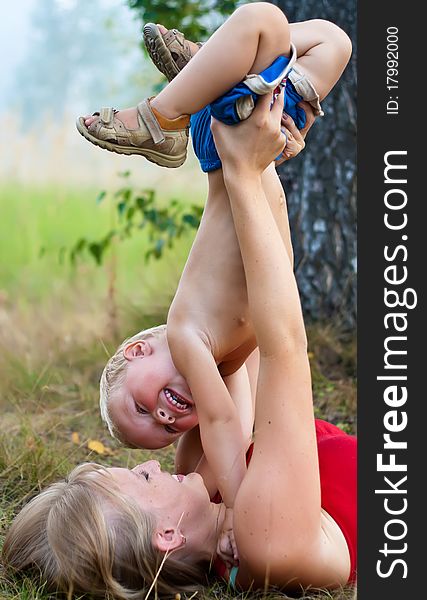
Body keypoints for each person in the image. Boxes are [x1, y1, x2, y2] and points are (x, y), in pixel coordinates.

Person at [2, 93, 357, 598]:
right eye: (144, 480)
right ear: (166, 536)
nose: (151, 462)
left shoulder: (202, 471)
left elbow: (245, 339)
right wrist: (240, 170)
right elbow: (282, 343)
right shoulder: (269, 544)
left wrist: (258, 164)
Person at [90, 3, 351, 561]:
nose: (163, 421)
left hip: (224, 152)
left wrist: (235, 504)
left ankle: (162, 117)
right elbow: (219, 427)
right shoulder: (228, 360)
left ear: (138, 350)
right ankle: (215, 74)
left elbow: (221, 421)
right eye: (162, 434)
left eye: (143, 409)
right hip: (258, 149)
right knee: (333, 43)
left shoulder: (190, 335)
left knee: (265, 21)